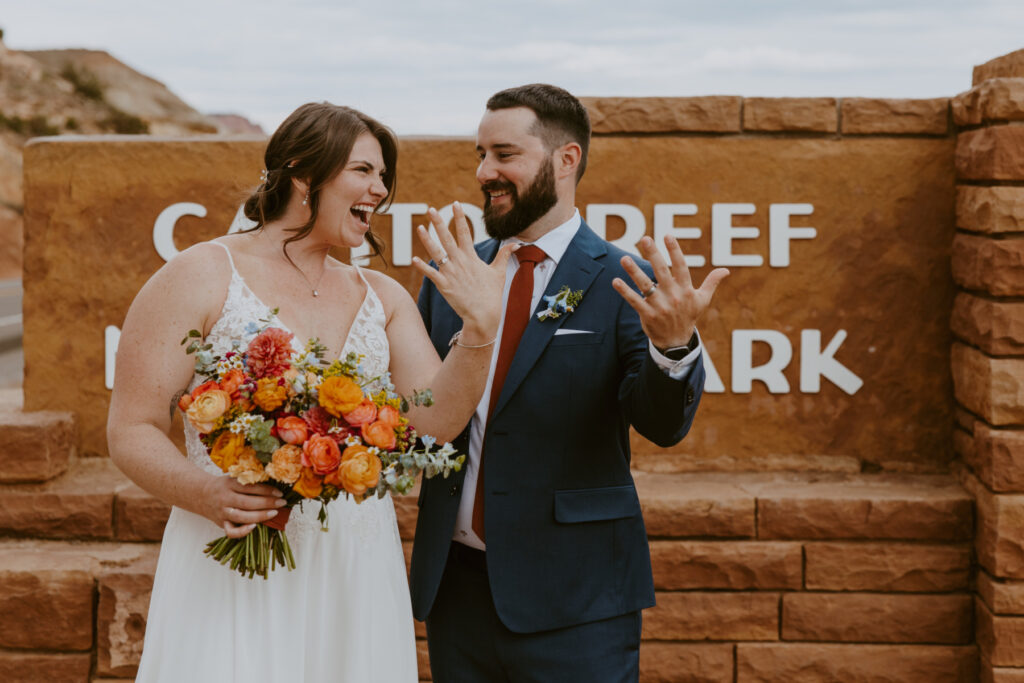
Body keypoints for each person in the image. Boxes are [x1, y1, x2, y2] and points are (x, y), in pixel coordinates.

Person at [106, 102, 515, 682]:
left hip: (355, 563)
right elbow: (131, 428)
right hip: (234, 551)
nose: (379, 190)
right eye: (363, 171)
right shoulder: (200, 274)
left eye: (382, 176)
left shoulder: (383, 295)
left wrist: (480, 330)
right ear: (302, 172)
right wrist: (204, 492)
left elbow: (436, 423)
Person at [410, 84, 729, 682]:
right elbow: (418, 413)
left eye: (504, 154)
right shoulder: (453, 276)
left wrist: (673, 345)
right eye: (480, 155)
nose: (485, 172)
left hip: (578, 599)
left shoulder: (624, 282)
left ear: (566, 159)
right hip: (457, 591)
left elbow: (662, 426)